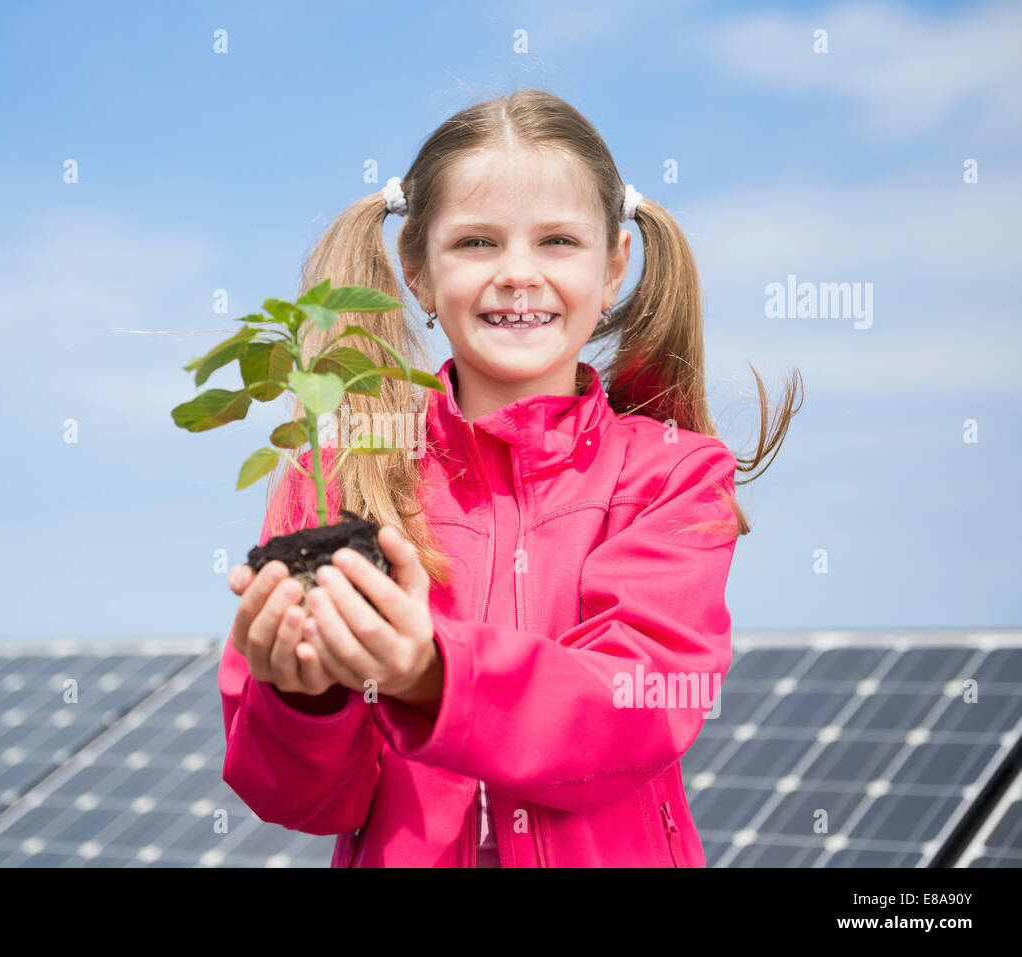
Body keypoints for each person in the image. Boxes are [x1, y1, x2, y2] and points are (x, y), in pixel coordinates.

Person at [218, 88, 800, 866]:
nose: (517, 274)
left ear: (615, 264)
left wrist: (430, 671)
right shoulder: (343, 479)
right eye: (477, 243)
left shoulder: (672, 474)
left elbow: (636, 705)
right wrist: (302, 692)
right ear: (417, 273)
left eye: (558, 240)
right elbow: (305, 798)